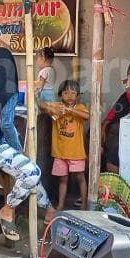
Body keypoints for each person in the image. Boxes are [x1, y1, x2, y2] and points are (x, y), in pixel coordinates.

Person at [0, 47, 56, 240]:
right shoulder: (9, 90)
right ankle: (8, 209)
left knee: (27, 169)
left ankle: (49, 209)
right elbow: (6, 124)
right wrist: (18, 149)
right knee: (32, 172)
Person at [41, 80, 89, 211]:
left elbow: (87, 116)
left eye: (73, 93)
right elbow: (40, 104)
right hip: (60, 153)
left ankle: (84, 204)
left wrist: (70, 110)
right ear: (60, 95)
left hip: (76, 153)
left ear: (78, 95)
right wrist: (53, 109)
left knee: (80, 178)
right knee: (63, 180)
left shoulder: (79, 108)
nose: (69, 96)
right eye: (66, 93)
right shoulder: (57, 106)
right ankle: (61, 205)